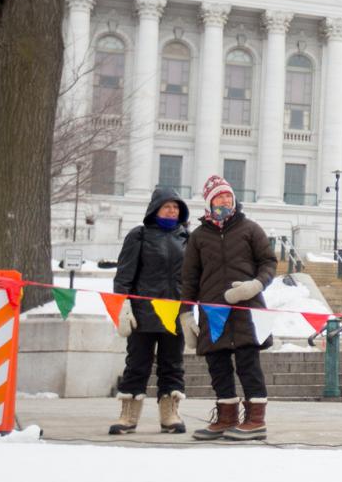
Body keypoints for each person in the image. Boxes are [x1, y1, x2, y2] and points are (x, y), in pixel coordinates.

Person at [180, 175, 276, 441]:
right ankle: (226, 417)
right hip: (212, 311)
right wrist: (186, 314)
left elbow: (268, 262)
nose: (224, 200)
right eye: (219, 197)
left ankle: (256, 420)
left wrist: (255, 285)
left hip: (246, 307)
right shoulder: (198, 237)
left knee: (248, 363)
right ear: (210, 202)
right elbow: (189, 278)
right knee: (217, 365)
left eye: (227, 196)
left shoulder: (250, 229)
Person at [108, 187, 191, 435]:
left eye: (176, 207)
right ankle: (128, 416)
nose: (172, 210)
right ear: (155, 209)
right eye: (167, 206)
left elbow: (191, 279)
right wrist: (122, 306)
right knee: (137, 363)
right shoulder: (139, 236)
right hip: (143, 312)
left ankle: (170, 415)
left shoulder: (188, 238)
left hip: (174, 313)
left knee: (173, 364)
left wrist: (189, 311)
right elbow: (124, 275)